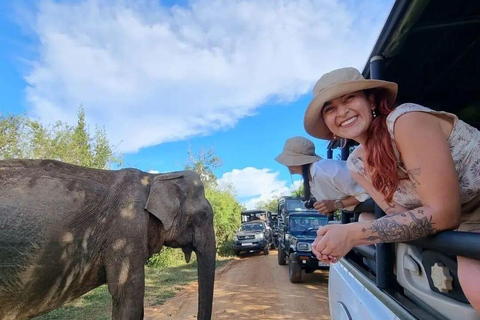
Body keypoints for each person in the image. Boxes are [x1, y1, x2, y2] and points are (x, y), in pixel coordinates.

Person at [303, 67, 480, 311]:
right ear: (328, 125)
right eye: (330, 109)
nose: (342, 112)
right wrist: (339, 236)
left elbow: (444, 213)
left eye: (349, 98)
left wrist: (354, 234)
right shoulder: (357, 164)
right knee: (472, 280)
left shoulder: (406, 121)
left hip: (470, 210)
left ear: (372, 100)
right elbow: (397, 215)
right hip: (469, 222)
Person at [275, 136, 373, 216]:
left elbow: (368, 191)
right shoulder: (311, 179)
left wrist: (335, 205)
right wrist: (327, 207)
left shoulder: (325, 170)